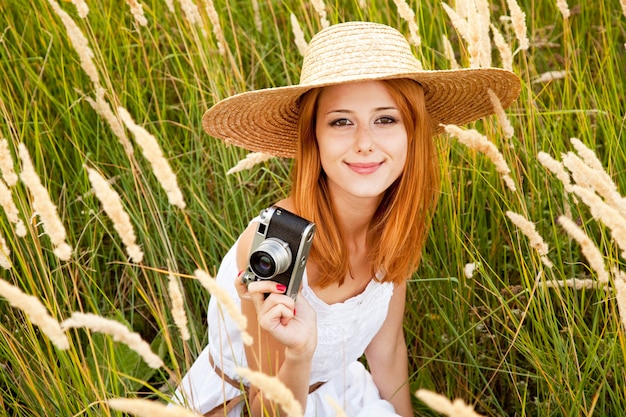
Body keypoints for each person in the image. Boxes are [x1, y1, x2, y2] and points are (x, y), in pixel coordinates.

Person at [171, 21, 520, 417]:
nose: (365, 143)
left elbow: (386, 352)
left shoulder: (395, 223)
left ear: (412, 132)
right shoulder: (274, 246)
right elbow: (265, 408)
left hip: (341, 393)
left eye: (386, 119)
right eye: (341, 121)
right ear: (313, 138)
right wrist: (300, 353)